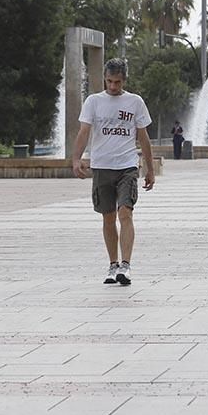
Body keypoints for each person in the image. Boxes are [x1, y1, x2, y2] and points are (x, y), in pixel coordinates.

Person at [70, 58, 156, 286]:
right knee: (108, 217)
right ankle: (112, 264)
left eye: (117, 82)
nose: (113, 86)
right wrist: (76, 159)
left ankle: (126, 266)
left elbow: (143, 137)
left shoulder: (135, 102)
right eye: (109, 81)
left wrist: (149, 168)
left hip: (127, 165)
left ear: (124, 80)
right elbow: (84, 132)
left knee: (125, 213)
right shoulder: (94, 102)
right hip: (101, 167)